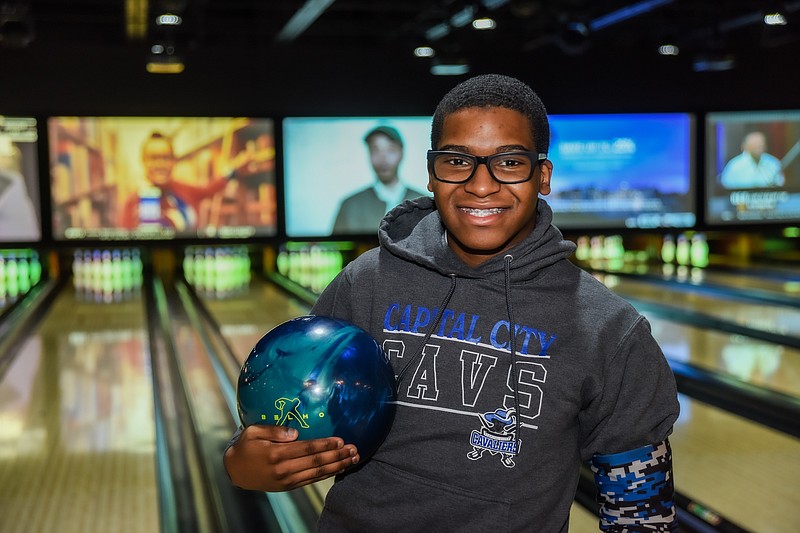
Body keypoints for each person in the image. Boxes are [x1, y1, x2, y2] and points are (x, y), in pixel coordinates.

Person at [224, 74, 680, 531]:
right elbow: (291, 406)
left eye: (509, 161)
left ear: (542, 176)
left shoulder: (610, 331)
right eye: (458, 161)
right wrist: (243, 460)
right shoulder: (366, 282)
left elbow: (641, 515)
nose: (481, 185)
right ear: (430, 173)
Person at [119, 132, 239, 231]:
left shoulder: (182, 189)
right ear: (143, 161)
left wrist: (234, 169)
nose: (160, 164)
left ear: (173, 161)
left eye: (166, 158)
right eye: (153, 158)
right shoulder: (132, 203)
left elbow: (210, 190)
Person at [331, 125, 427, 234]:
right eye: (375, 150)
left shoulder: (423, 204)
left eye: (390, 150)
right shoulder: (350, 206)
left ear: (401, 153)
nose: (383, 158)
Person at [720, 131, 785, 189]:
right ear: (745, 146)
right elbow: (727, 188)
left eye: (761, 143)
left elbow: (779, 185)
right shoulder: (734, 165)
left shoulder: (773, 163)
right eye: (755, 143)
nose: (759, 145)